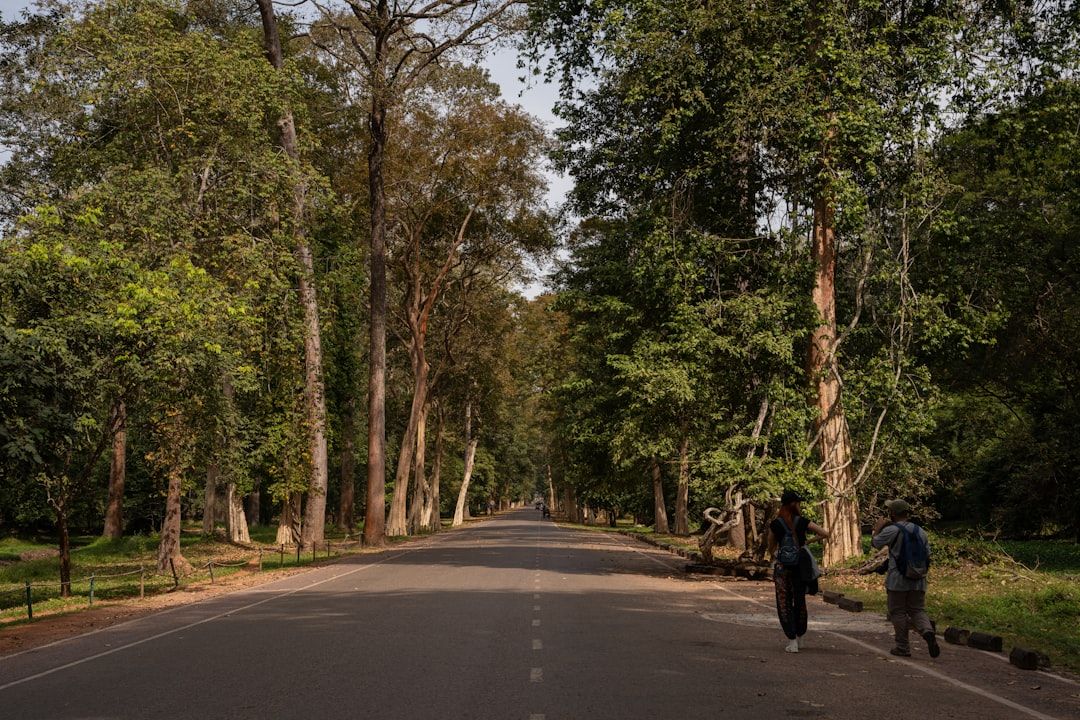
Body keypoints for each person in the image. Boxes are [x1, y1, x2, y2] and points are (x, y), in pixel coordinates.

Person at [871, 499, 940, 658]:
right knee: (917, 609)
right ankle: (928, 631)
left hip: (898, 579)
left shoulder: (893, 530)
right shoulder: (920, 531)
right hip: (918, 578)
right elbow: (928, 555)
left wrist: (878, 528)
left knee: (898, 612)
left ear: (893, 514)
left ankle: (902, 647)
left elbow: (875, 543)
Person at [767, 490, 830, 653]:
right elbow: (824, 533)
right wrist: (806, 542)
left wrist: (776, 553)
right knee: (799, 600)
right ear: (794, 504)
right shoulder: (802, 521)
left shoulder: (776, 523)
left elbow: (770, 545)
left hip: (783, 567)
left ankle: (792, 640)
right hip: (800, 567)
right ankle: (801, 637)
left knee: (783, 602)